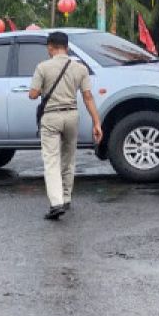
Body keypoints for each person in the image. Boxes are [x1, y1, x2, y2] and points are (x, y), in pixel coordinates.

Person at [28, 31, 104, 220]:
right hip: (72, 115)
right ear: (67, 47)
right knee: (69, 158)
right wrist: (97, 123)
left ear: (50, 47)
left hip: (51, 117)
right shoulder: (80, 68)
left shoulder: (43, 67)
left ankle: (56, 204)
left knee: (51, 160)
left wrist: (40, 89)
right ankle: (67, 197)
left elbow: (33, 94)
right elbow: (88, 97)